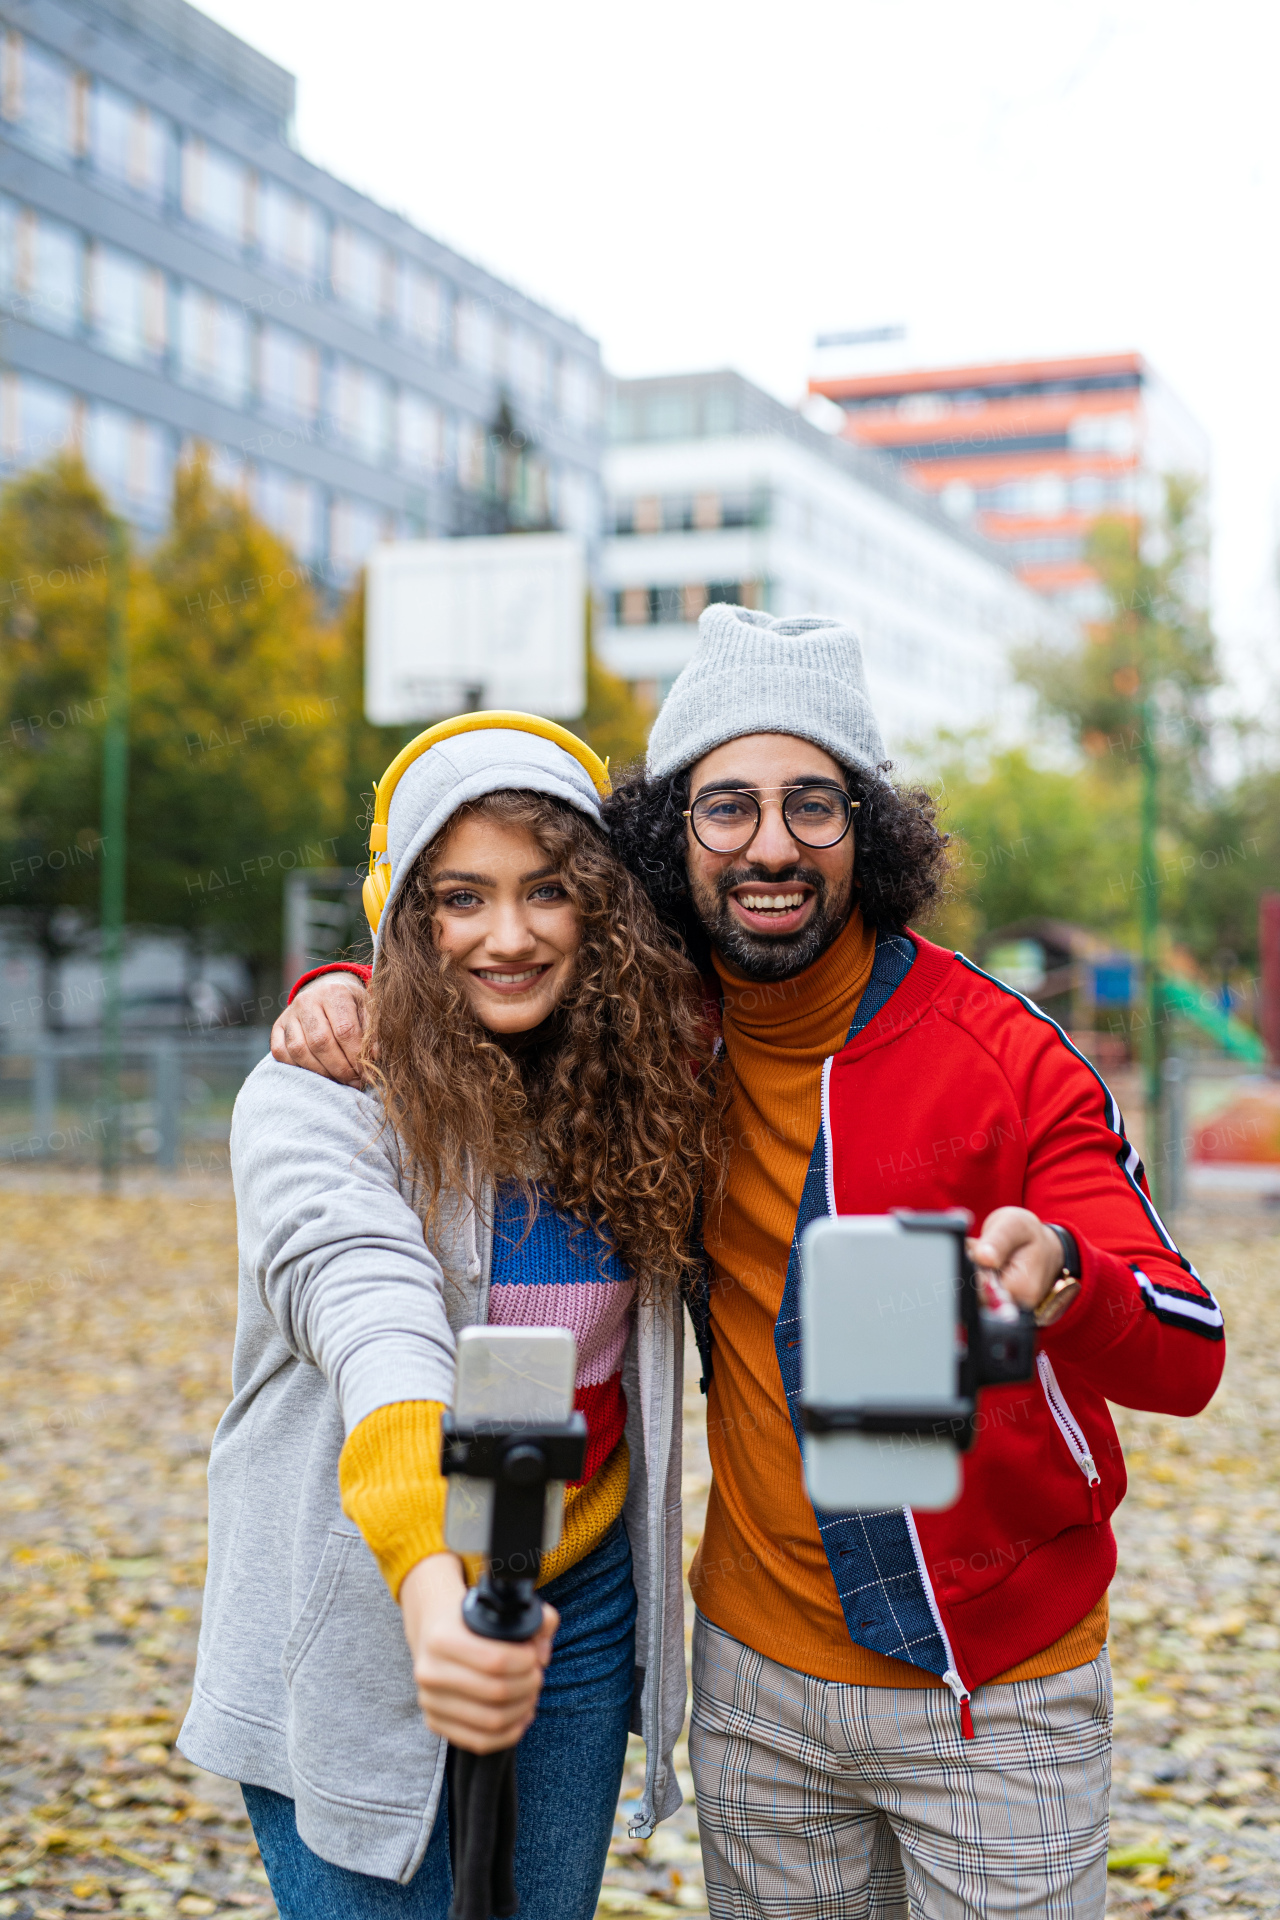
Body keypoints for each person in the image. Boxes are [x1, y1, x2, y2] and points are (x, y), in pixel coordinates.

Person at [277, 608, 1226, 1920]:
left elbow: (1188, 1350)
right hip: (755, 1689)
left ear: (870, 830)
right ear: (674, 838)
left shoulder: (1008, 1054)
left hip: (993, 1690)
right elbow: (482, 971)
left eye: (813, 805)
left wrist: (1068, 1274)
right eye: (728, 806)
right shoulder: (656, 1036)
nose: (771, 843)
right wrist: (342, 985)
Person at [180, 714, 717, 1919]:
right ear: (404, 916)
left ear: (604, 907)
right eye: (459, 897)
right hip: (370, 1600)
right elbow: (377, 1326)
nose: (508, 935)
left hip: (572, 1603)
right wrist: (436, 1597)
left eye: (547, 892)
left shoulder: (655, 1088)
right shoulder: (319, 1098)